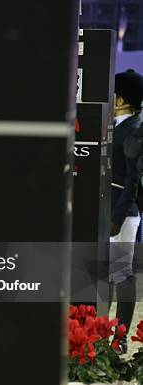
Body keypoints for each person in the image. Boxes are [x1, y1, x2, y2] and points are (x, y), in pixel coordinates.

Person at [110, 69, 143, 352]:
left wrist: (117, 219)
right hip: (107, 210)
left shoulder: (133, 130)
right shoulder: (117, 127)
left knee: (121, 274)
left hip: (121, 214)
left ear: (120, 100)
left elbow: (133, 180)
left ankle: (119, 339)